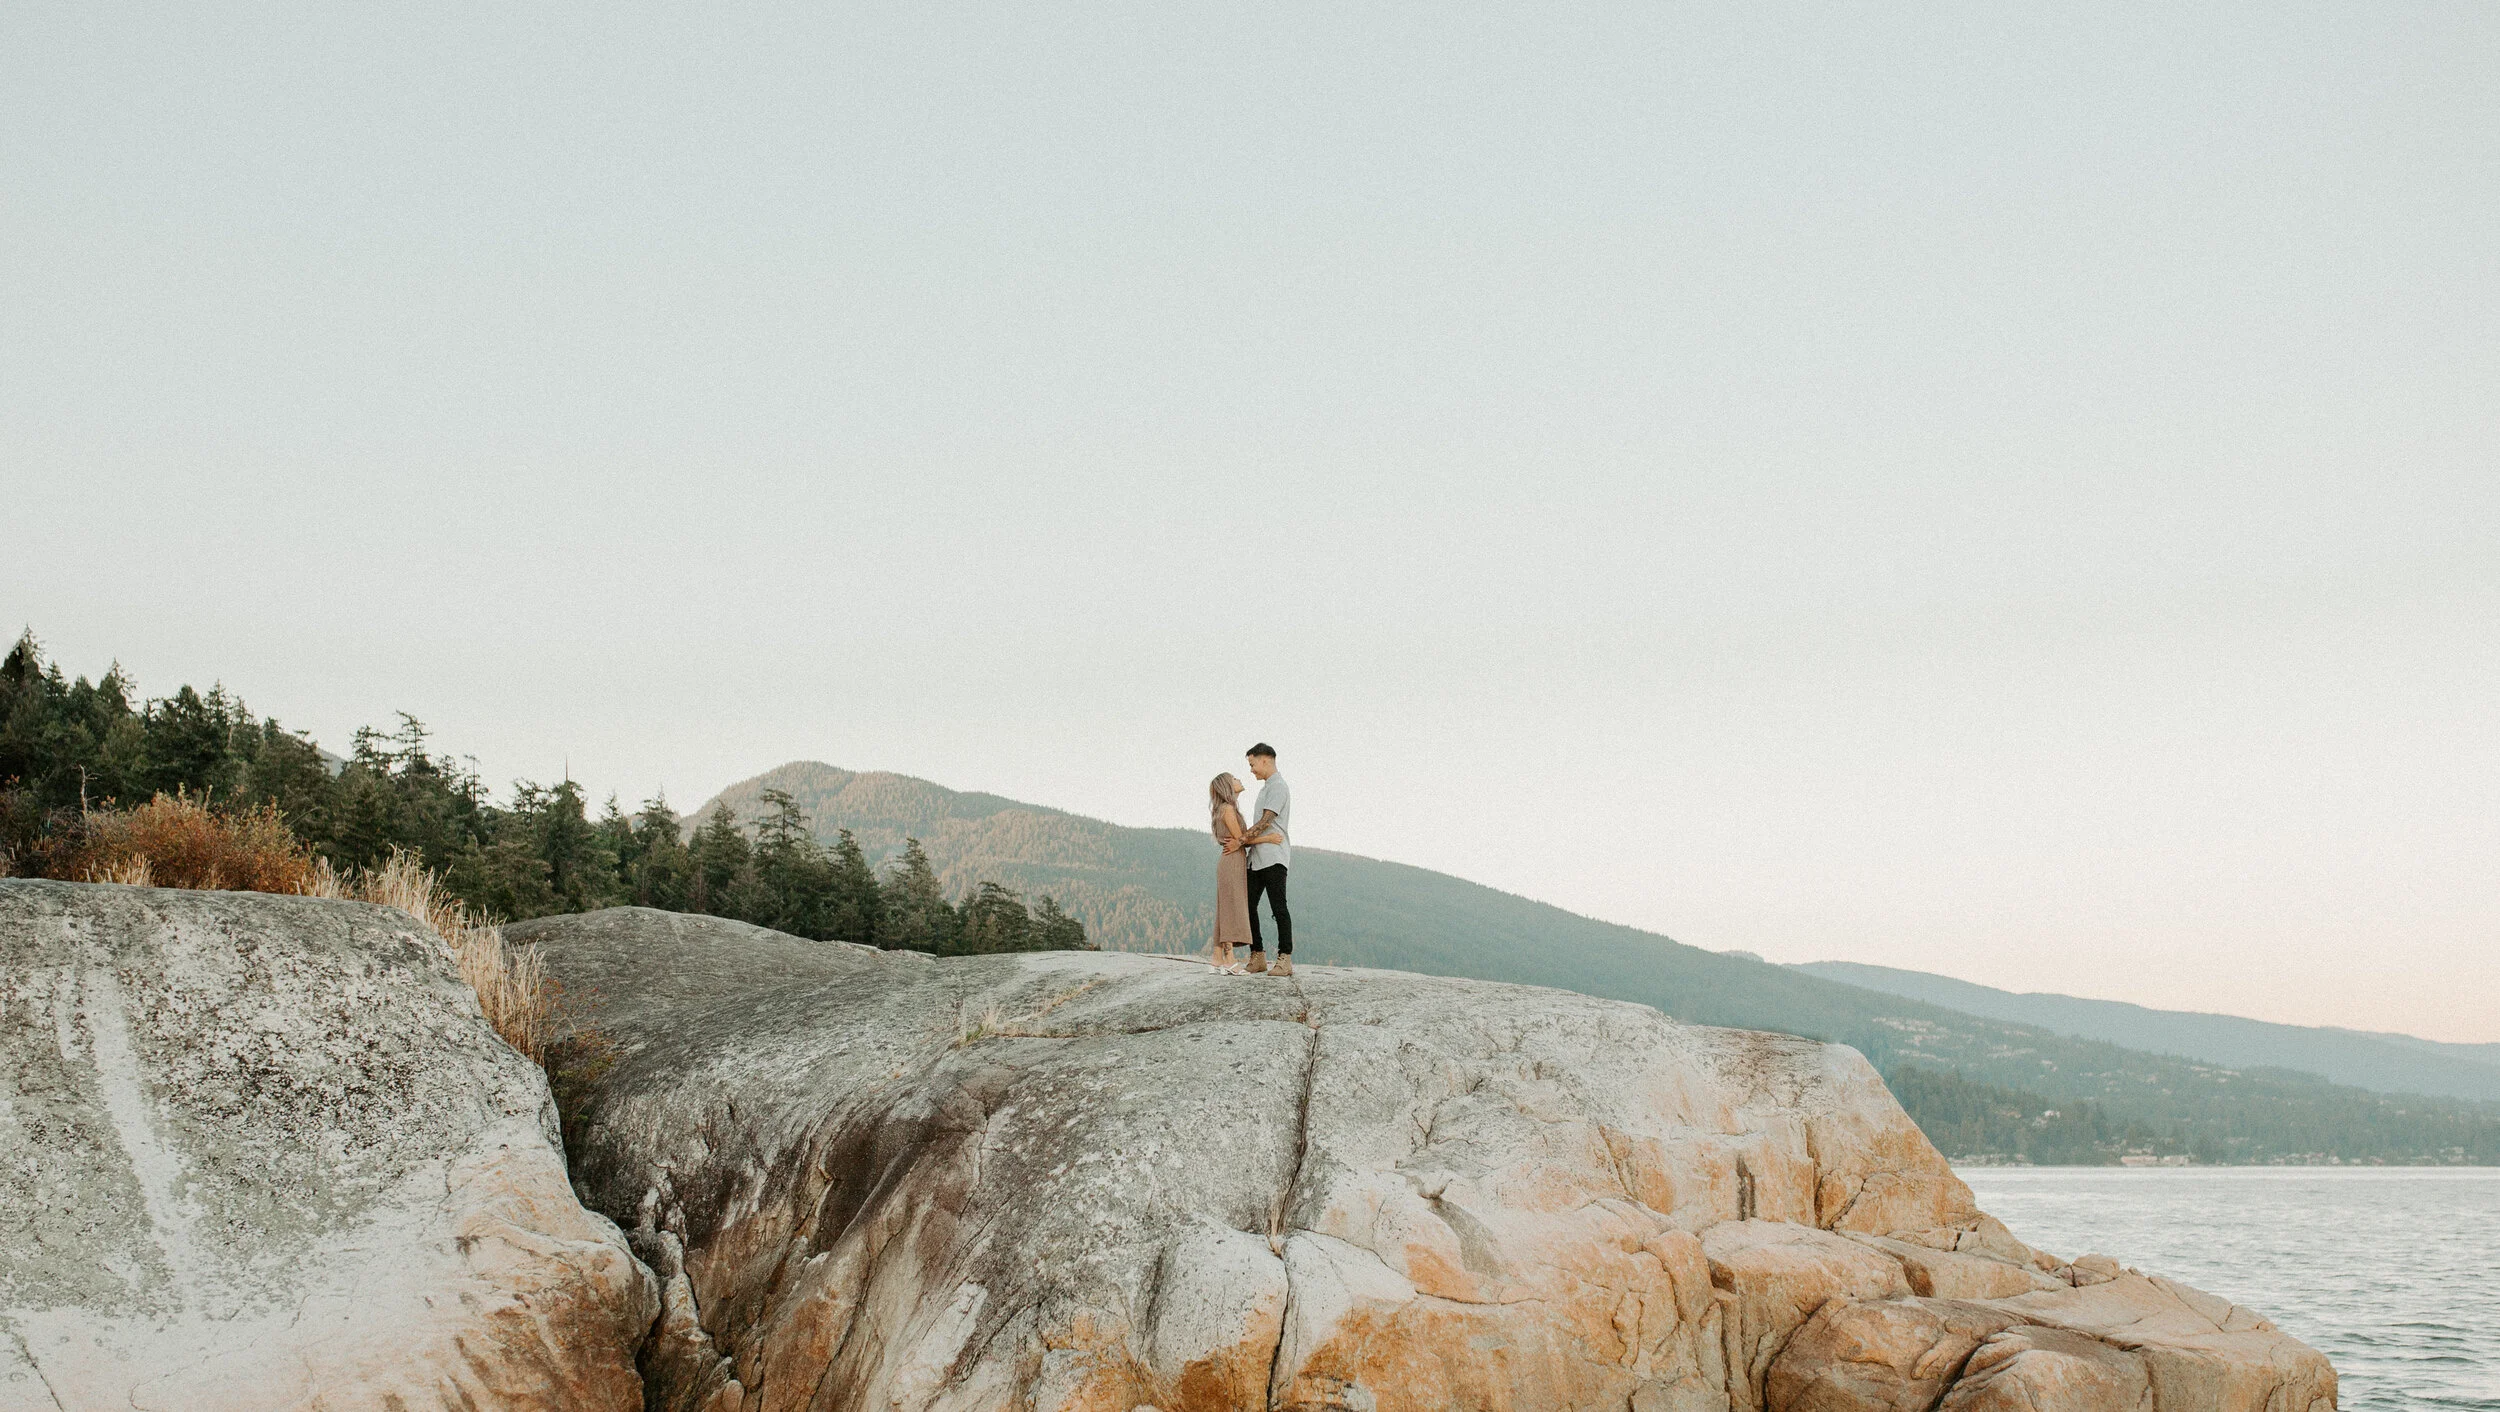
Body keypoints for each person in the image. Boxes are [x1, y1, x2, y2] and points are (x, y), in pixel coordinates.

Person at [1238, 743, 1293, 976]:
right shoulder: (1265, 788)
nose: (1251, 770)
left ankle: (1285, 959)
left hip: (1274, 857)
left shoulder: (1278, 787)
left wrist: (1240, 840)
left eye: (1252, 764)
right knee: (1248, 905)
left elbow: (1266, 821)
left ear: (1265, 760)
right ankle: (1258, 955)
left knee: (1278, 907)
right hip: (1256, 858)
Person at [1207, 773, 1254, 972]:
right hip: (1232, 862)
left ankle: (1217, 957)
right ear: (1227, 785)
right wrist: (1268, 839)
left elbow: (1240, 839)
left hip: (1231, 861)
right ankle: (1229, 958)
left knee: (1225, 907)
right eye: (1234, 778)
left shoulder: (1226, 809)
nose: (1239, 779)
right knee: (1231, 908)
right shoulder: (1227, 809)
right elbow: (1243, 839)